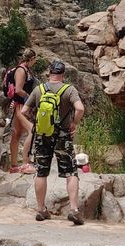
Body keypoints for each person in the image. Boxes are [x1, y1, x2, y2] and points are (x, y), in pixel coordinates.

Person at [23, 60, 85, 225]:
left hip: (43, 135)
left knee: (41, 172)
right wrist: (74, 123)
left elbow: (23, 111)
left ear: (49, 73)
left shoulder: (39, 89)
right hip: (62, 136)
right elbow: (80, 108)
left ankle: (41, 209)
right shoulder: (68, 89)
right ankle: (73, 210)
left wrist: (36, 121)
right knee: (71, 172)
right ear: (63, 74)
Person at [8, 48, 38, 174]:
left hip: (19, 105)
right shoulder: (21, 70)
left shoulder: (24, 69)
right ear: (31, 59)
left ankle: (14, 165)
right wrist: (30, 99)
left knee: (17, 134)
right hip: (20, 106)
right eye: (34, 60)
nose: (35, 62)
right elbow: (18, 89)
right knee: (32, 130)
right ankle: (25, 163)